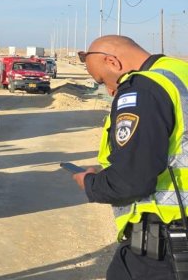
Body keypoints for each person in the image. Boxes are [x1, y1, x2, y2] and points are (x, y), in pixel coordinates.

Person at [71, 35, 188, 279]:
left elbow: (130, 181)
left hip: (165, 249)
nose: (111, 90)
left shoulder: (143, 88)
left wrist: (91, 183)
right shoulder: (180, 74)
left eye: (103, 81)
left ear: (113, 62)